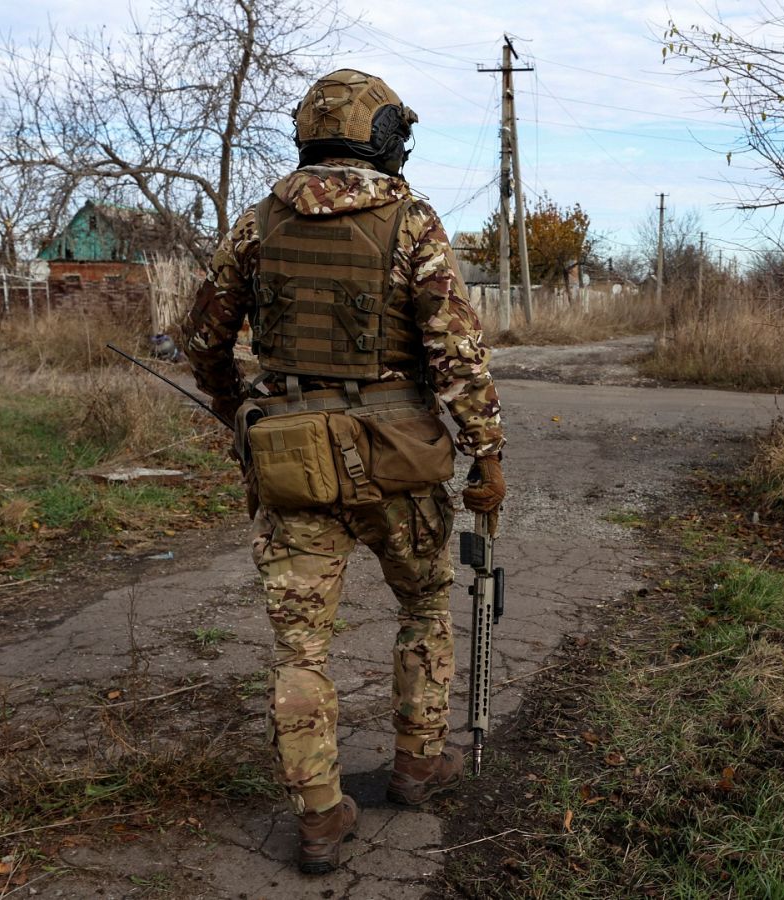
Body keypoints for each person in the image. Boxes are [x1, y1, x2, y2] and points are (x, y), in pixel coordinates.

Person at [179, 68, 507, 875]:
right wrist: (486, 453)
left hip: (291, 462)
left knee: (301, 649)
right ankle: (417, 765)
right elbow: (455, 353)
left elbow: (202, 341)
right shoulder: (413, 220)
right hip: (399, 461)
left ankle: (321, 816)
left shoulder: (258, 224)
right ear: (387, 136)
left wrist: (237, 414)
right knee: (426, 605)